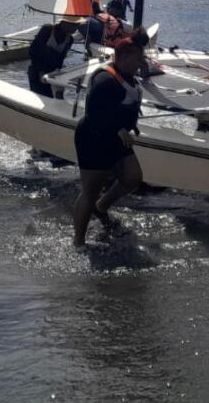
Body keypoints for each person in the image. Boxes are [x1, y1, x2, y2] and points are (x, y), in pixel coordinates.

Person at [72, 38, 145, 247]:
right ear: (123, 57)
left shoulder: (129, 77)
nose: (141, 63)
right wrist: (119, 129)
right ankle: (78, 242)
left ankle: (101, 207)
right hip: (93, 139)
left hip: (116, 139)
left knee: (133, 178)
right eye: (138, 58)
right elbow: (94, 113)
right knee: (90, 191)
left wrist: (130, 125)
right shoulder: (105, 79)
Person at [27, 17, 80, 96]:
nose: (76, 28)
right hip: (36, 71)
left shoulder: (70, 39)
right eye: (74, 25)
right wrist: (41, 71)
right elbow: (32, 51)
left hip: (52, 74)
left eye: (78, 25)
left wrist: (58, 74)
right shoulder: (47, 29)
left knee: (51, 97)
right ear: (64, 23)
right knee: (37, 96)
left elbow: (60, 60)